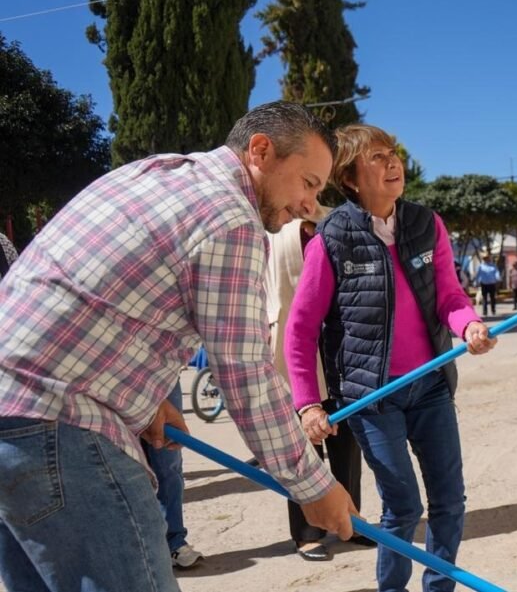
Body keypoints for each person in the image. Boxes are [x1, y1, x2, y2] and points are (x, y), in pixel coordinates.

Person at [0, 101, 359, 592]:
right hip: (57, 424)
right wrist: (312, 486)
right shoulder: (231, 219)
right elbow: (246, 374)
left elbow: (103, 296)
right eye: (309, 183)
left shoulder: (156, 173)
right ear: (261, 150)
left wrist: (150, 399)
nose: (308, 204)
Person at [284, 124, 498, 592]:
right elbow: (299, 330)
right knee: (402, 506)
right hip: (372, 397)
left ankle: (438, 587)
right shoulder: (332, 238)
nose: (392, 163)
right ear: (351, 178)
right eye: (377, 157)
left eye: (393, 153)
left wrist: (470, 326)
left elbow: (450, 297)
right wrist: (308, 403)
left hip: (431, 388)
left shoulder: (427, 223)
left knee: (449, 501)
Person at [265, 203, 369, 560]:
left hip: (338, 343)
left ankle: (351, 521)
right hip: (291, 345)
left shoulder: (332, 222)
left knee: (347, 440)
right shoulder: (271, 226)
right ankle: (306, 532)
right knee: (301, 445)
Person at [141, 381, 203, 569]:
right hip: (104, 376)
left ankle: (174, 542)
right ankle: (139, 548)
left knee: (168, 464)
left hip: (161, 378)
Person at [474, 250, 500, 315]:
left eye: (487, 258)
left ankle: (493, 310)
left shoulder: (493, 265)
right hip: (484, 284)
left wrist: (498, 278)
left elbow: (496, 272)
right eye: (485, 258)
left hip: (492, 284)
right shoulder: (480, 266)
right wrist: (476, 282)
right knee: (484, 298)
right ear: (483, 259)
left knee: (492, 298)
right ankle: (485, 311)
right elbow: (478, 274)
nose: (486, 259)